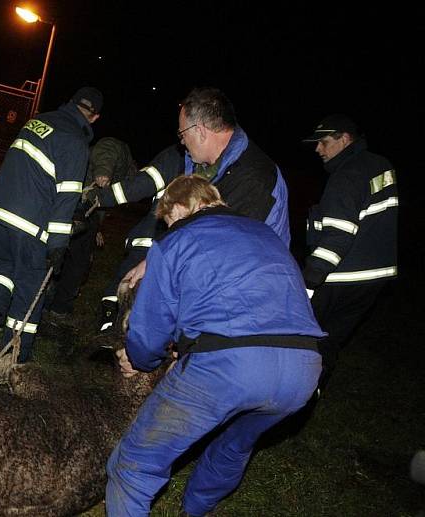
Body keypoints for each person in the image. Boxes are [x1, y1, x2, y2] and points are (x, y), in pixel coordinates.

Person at [105, 176, 323, 517]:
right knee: (234, 445)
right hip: (303, 371)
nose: (168, 228)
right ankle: (198, 509)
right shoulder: (268, 235)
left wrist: (140, 359)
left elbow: (150, 328)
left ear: (180, 207)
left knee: (134, 465)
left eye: (168, 221)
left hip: (229, 368)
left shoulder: (178, 240)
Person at [88, 87, 290, 334]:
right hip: (213, 281)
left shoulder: (255, 178)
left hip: (247, 298)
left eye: (183, 134)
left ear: (200, 132)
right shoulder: (201, 165)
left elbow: (215, 242)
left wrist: (157, 263)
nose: (181, 142)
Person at [0, 86, 102, 362]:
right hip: (28, 224)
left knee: (3, 268)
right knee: (30, 290)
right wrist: (58, 246)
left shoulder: (40, 120)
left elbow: (37, 173)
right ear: (94, 118)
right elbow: (66, 197)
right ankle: (15, 357)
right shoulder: (76, 142)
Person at [301, 114, 398, 389]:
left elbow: (338, 236)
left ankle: (290, 399)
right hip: (374, 279)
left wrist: (309, 283)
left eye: (324, 142)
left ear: (344, 139)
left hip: (340, 277)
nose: (318, 149)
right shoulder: (380, 165)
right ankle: (313, 392)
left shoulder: (347, 174)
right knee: (329, 341)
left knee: (300, 339)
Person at [40, 136, 137, 334]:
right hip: (79, 204)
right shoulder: (123, 153)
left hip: (85, 210)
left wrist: (97, 228)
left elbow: (101, 203)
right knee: (76, 260)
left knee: (69, 256)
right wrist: (103, 172)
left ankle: (50, 299)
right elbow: (107, 148)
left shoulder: (123, 176)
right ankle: (56, 308)